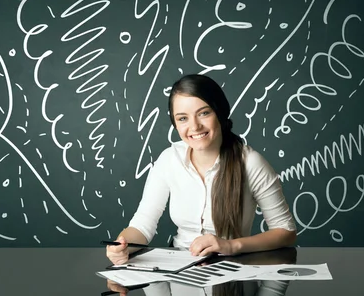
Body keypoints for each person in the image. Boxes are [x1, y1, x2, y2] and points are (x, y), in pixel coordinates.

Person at [106, 74, 297, 265]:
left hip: (234, 271)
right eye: (182, 118)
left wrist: (231, 246)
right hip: (178, 270)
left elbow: (285, 232)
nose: (194, 126)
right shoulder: (168, 160)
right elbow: (142, 226)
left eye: (204, 113)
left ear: (220, 113)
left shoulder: (251, 163)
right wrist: (122, 246)